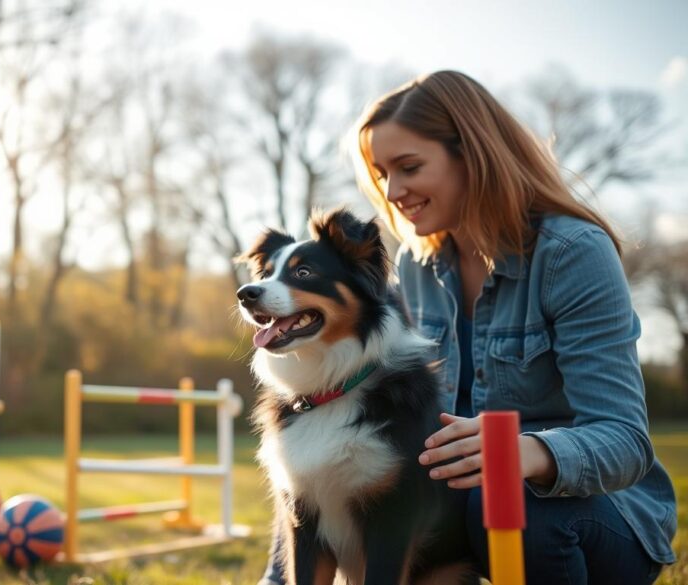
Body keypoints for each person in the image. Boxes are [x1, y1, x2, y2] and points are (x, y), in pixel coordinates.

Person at [258, 70, 676, 585]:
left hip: (589, 518)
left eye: (408, 167)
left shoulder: (573, 253)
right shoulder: (414, 265)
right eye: (382, 172)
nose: (392, 191)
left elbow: (626, 441)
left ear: (473, 155)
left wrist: (527, 451)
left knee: (511, 496)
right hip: (457, 513)